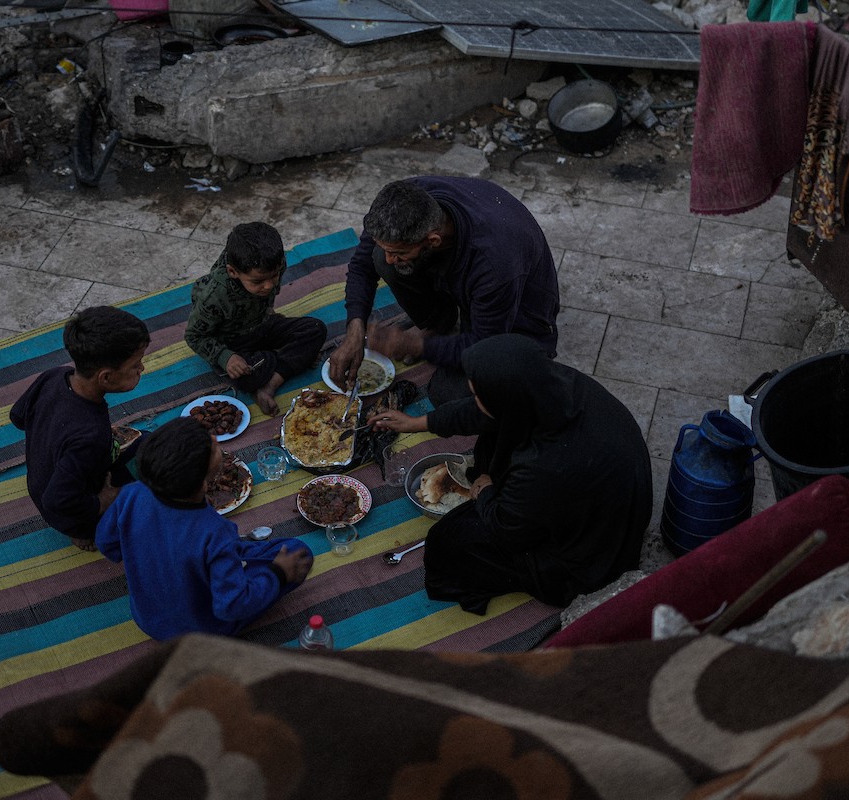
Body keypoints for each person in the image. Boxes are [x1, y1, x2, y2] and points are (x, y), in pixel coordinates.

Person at [370, 334, 652, 615]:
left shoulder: (545, 464)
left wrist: (486, 493)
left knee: (448, 541)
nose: (475, 400)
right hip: (590, 493)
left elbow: (508, 533)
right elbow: (487, 410)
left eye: (477, 395)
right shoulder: (547, 382)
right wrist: (421, 423)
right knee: (491, 444)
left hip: (588, 556)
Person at [328, 177, 561, 406]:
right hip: (477, 277)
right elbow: (361, 267)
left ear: (433, 240)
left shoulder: (494, 264)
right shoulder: (404, 200)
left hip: (522, 314)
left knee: (448, 393)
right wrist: (355, 330)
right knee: (378, 259)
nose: (391, 258)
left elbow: (484, 348)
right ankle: (439, 322)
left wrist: (416, 346)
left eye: (398, 252)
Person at [96, 417, 314, 640]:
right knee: (297, 551)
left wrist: (150, 557)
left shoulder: (132, 494)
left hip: (148, 617)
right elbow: (231, 605)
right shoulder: (214, 532)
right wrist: (278, 574)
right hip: (202, 631)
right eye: (212, 447)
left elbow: (106, 543)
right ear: (203, 485)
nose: (213, 438)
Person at [10, 306, 151, 551]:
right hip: (68, 510)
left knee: (146, 442)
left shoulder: (55, 376)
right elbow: (57, 501)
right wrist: (102, 500)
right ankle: (87, 531)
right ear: (105, 377)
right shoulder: (91, 435)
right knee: (151, 483)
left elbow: (18, 417)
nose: (142, 369)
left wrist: (51, 433)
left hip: (40, 484)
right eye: (135, 365)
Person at [185, 221, 328, 415]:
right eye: (258, 281)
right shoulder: (215, 295)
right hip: (234, 342)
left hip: (263, 324)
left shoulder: (275, 263)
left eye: (274, 276)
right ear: (233, 272)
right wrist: (225, 357)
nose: (268, 286)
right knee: (246, 374)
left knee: (316, 328)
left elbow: (267, 295)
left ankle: (270, 383)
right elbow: (194, 336)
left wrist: (268, 313)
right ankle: (289, 360)